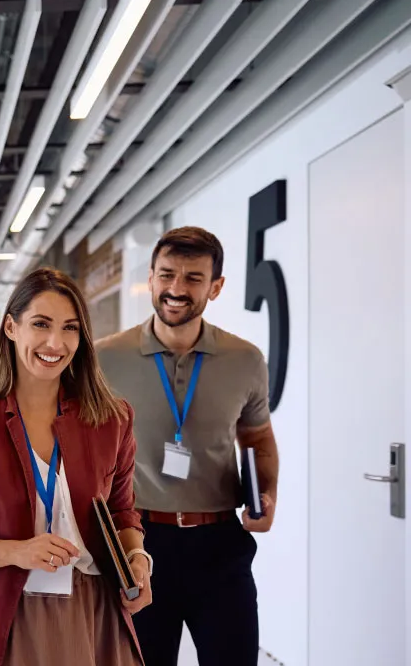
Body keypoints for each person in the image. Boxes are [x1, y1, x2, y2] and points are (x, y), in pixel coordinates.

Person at [0, 267, 151, 665]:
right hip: (5, 611)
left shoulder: (112, 419)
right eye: (40, 324)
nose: (55, 342)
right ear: (11, 327)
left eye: (70, 329)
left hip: (91, 610)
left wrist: (138, 560)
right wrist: (18, 552)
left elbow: (122, 511)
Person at [96, 226, 279, 666]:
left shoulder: (245, 359)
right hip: (137, 542)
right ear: (152, 279)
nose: (176, 289)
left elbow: (256, 436)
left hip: (218, 543)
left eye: (193, 278)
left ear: (216, 287)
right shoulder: (104, 359)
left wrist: (267, 494)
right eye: (167, 275)